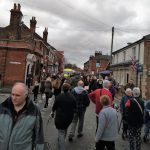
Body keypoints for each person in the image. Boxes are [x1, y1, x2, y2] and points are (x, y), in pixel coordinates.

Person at [0, 82, 44, 150]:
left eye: (17, 95)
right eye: (12, 94)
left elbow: (39, 135)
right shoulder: (2, 108)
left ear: (26, 95)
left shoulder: (34, 111)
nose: (14, 98)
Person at [50, 83, 76, 150]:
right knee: (65, 128)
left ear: (62, 88)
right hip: (69, 117)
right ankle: (61, 138)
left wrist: (52, 112)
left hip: (60, 117)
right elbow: (75, 106)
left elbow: (54, 106)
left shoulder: (59, 96)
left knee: (61, 132)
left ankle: (62, 145)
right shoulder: (72, 97)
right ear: (69, 88)